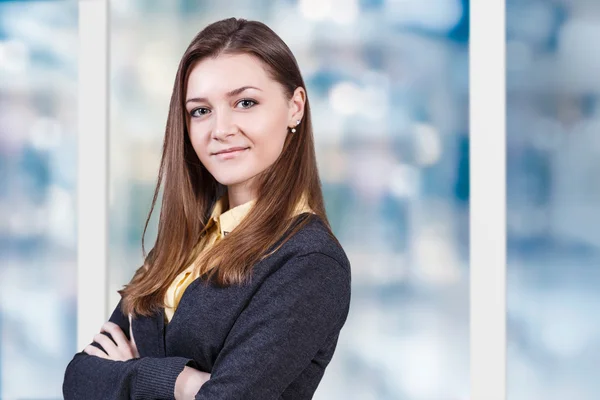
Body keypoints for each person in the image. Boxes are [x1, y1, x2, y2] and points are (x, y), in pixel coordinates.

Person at [63, 17, 352, 400]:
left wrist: (126, 374)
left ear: (295, 107)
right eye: (200, 111)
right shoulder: (188, 240)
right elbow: (79, 379)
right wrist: (183, 384)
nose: (221, 129)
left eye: (245, 103)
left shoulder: (309, 261)